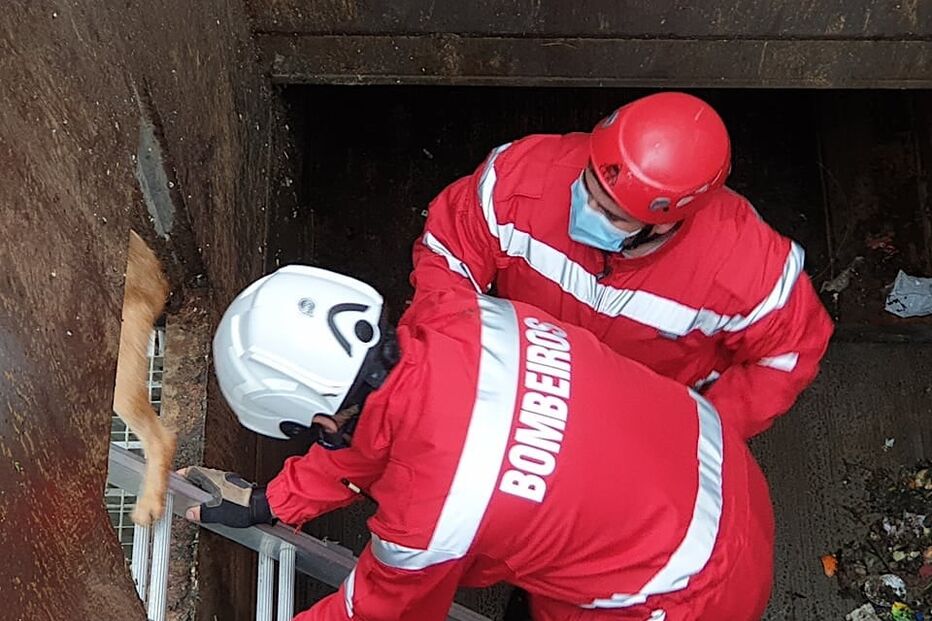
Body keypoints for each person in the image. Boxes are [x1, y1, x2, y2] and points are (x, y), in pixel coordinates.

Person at [182, 265, 775, 621]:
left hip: (694, 594)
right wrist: (277, 502)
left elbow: (380, 611)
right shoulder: (458, 314)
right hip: (714, 459)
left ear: (320, 422)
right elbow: (383, 423)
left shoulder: (431, 520)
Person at [410, 91, 833, 440]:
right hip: (524, 382)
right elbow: (449, 252)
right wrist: (454, 360)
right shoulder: (520, 179)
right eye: (587, 186)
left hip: (642, 420)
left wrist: (696, 433)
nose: (587, 210)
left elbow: (787, 355)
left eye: (613, 215)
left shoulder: (746, 265)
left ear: (667, 219)